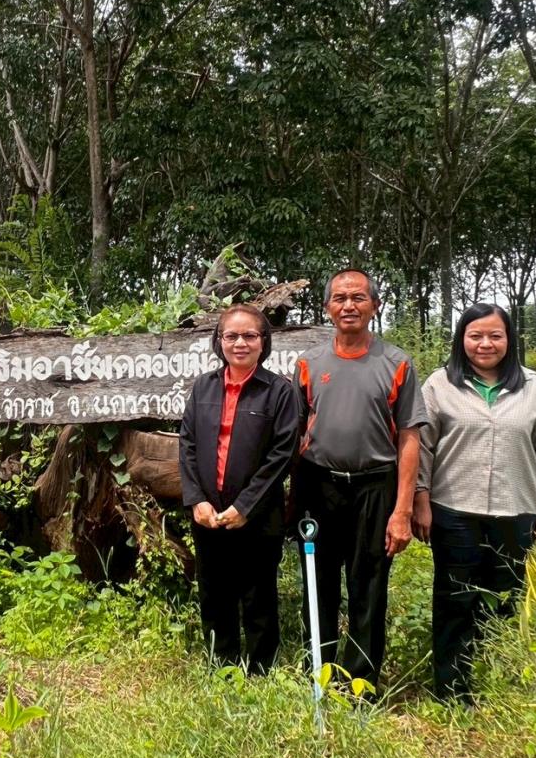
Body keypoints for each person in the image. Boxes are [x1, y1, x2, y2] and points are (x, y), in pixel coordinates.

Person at [413, 303, 536, 702]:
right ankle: (451, 689)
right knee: (455, 599)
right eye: (475, 335)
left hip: (516, 512)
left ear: (509, 340)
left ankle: (495, 682)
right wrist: (421, 501)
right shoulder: (439, 385)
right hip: (454, 511)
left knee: (507, 597)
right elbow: (423, 449)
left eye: (495, 336)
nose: (485, 344)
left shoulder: (534, 388)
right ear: (461, 339)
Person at [291, 269, 427, 693]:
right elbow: (295, 434)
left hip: (375, 487)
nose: (348, 305)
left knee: (368, 583)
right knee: (319, 578)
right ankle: (319, 669)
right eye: (339, 298)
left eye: (358, 298)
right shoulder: (308, 364)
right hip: (319, 483)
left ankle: (360, 683)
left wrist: (402, 510)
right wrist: (293, 498)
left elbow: (409, 438)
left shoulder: (396, 362)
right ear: (327, 307)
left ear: (375, 306)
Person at [179, 304, 301, 673]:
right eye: (231, 336)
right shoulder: (204, 386)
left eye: (249, 335)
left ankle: (261, 671)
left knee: (258, 595)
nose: (240, 343)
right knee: (214, 594)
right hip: (208, 514)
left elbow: (283, 454)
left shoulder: (279, 392)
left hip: (258, 516)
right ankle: (223, 666)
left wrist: (246, 505)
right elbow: (187, 445)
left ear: (264, 342)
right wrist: (196, 499)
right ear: (219, 342)